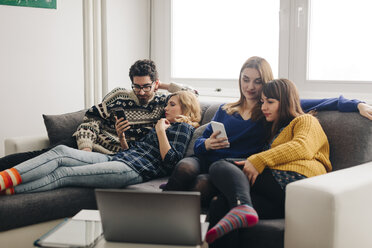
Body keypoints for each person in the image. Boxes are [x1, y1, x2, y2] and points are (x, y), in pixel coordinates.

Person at [162, 56, 372, 208]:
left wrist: (357, 104)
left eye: (257, 81)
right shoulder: (225, 109)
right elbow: (200, 143)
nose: (250, 87)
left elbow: (321, 102)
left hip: (234, 165)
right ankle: (159, 213)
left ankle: (177, 220)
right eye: (245, 79)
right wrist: (206, 144)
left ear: (266, 83)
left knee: (201, 186)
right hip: (207, 157)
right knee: (183, 168)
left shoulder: (269, 110)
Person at [0, 59, 197, 170]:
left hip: (114, 155)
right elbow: (91, 119)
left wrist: (162, 85)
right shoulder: (119, 95)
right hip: (90, 145)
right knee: (42, 156)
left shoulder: (163, 103)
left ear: (155, 83)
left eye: (146, 86)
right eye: (136, 87)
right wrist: (85, 147)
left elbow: (190, 93)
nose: (142, 92)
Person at [205, 79, 332, 245]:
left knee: (222, 165)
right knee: (220, 205)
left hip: (295, 182)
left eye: (270, 102)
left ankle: (242, 205)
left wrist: (258, 159)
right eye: (262, 101)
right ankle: (242, 208)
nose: (264, 107)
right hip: (278, 198)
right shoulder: (275, 131)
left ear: (286, 102)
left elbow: (302, 147)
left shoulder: (306, 121)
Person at [0, 91, 200, 195]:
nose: (166, 107)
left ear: (186, 108)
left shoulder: (183, 128)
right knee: (61, 152)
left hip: (132, 170)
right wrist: (122, 138)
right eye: (167, 103)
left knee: (63, 174)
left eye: (172, 105)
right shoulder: (164, 123)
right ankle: (5, 184)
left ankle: (6, 186)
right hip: (119, 157)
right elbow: (139, 151)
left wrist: (160, 131)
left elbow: (172, 163)